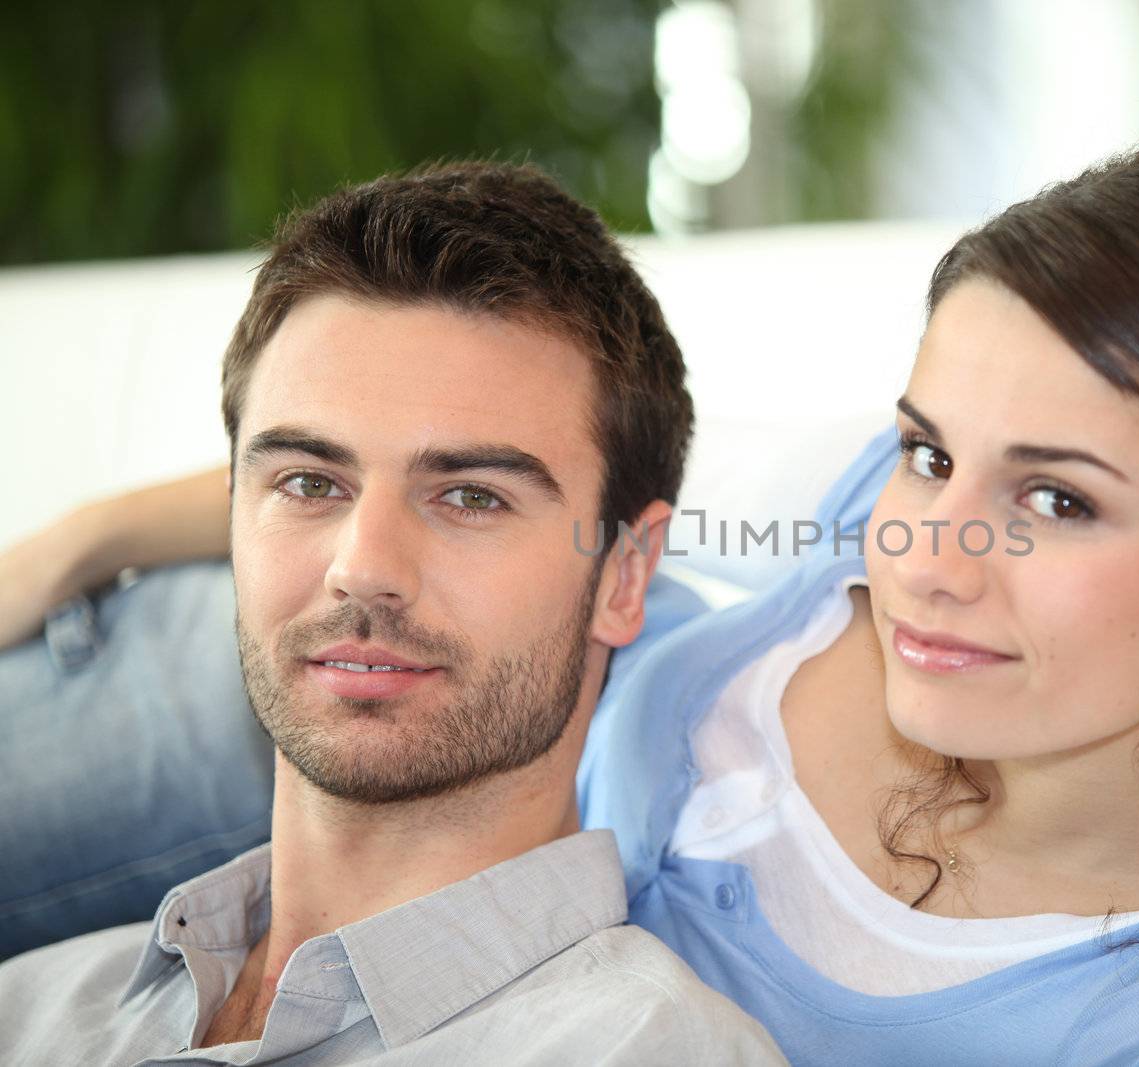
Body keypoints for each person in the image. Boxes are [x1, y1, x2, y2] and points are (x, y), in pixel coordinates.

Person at [2, 132, 1139, 1065]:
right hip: (293, 732)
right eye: (931, 450)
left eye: (1057, 497)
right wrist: (74, 540)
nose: (932, 551)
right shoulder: (854, 510)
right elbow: (444, 468)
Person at [0, 162, 785, 1065]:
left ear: (624, 573)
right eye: (307, 481)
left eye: (471, 497)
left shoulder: (639, 1047)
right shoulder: (30, 1005)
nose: (363, 568)